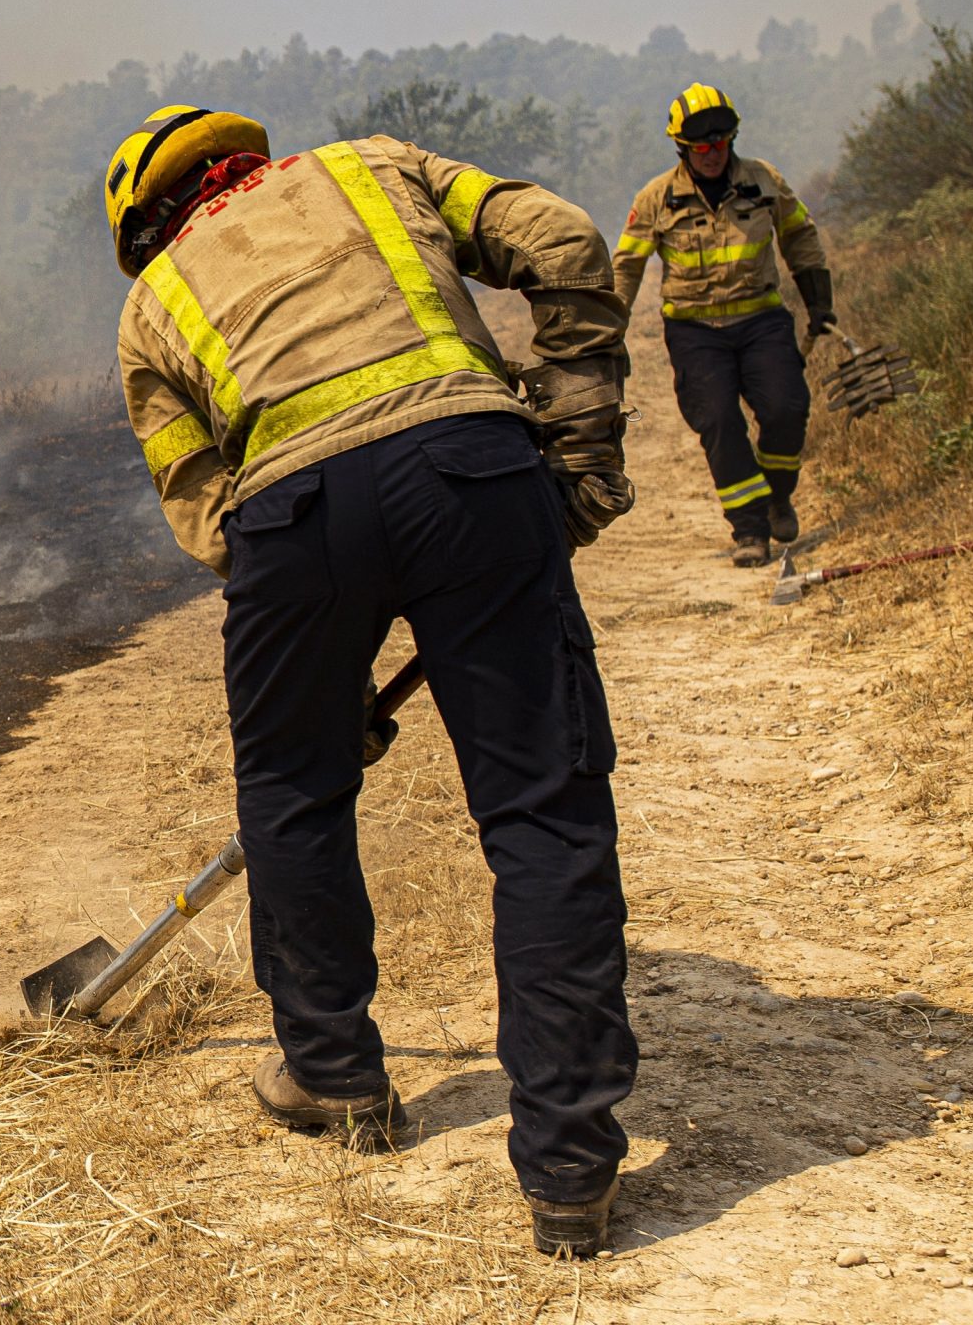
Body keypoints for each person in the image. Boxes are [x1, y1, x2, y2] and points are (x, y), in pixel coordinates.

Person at [104, 105, 640, 1256]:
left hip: (290, 522)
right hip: (471, 471)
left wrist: (311, 672)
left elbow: (204, 508)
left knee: (290, 794)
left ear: (152, 223)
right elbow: (564, 241)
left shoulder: (148, 305)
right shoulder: (374, 167)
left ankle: (335, 1076)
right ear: (245, 161)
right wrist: (584, 429)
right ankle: (568, 1174)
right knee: (541, 812)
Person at [613, 83, 833, 566]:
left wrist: (820, 302)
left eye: (720, 143)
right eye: (701, 147)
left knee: (785, 409)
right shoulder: (657, 197)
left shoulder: (764, 180)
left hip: (761, 321)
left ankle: (777, 497)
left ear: (732, 139)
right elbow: (626, 266)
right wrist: (608, 331)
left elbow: (800, 236)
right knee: (719, 422)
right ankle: (750, 532)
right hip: (694, 332)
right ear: (682, 148)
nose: (713, 155)